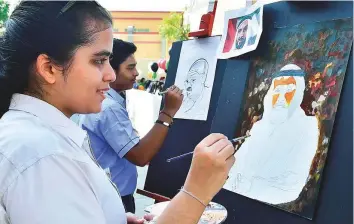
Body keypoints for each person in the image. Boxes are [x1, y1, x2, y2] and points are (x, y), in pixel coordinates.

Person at [0, 1, 235, 224]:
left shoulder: (36, 137)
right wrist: (196, 192)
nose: (110, 75)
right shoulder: (44, 156)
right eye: (98, 60)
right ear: (49, 68)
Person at [78, 38, 183, 213]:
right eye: (130, 67)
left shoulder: (105, 99)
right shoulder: (108, 107)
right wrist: (168, 112)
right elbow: (140, 156)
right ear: (110, 70)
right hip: (114, 198)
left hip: (106, 194)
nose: (136, 73)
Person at [224, 64, 319, 204]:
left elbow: (292, 187)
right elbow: (234, 168)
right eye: (278, 90)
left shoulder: (307, 126)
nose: (281, 97)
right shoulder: (259, 126)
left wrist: (249, 184)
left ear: (298, 92)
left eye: (289, 90)